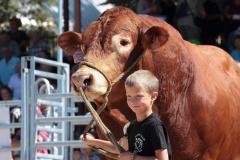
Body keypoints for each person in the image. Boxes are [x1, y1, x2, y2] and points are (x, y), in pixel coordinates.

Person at [81, 70, 172, 160]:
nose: (132, 101)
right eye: (129, 96)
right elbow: (119, 147)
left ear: (153, 97)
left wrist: (133, 157)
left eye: (139, 96)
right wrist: (93, 142)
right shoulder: (132, 126)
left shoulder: (154, 126)